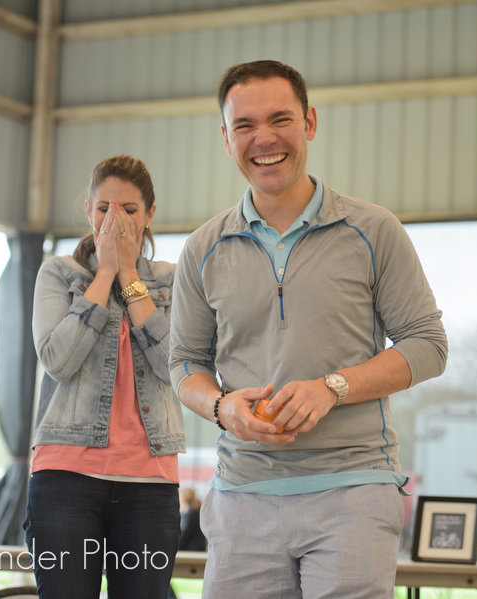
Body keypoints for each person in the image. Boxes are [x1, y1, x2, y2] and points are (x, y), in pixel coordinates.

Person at [168, 60, 448, 598]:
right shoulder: (203, 248)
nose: (264, 139)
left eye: (280, 119)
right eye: (245, 126)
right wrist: (222, 409)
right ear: (226, 138)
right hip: (241, 496)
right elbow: (184, 363)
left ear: (310, 123)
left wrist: (332, 389)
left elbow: (428, 346)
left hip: (354, 492)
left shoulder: (372, 230)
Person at [25, 154, 185, 599]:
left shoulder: (172, 282)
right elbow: (57, 360)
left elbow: (176, 368)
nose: (115, 220)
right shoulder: (59, 273)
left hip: (149, 484)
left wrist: (130, 275)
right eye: (104, 209)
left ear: (150, 214)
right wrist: (106, 272)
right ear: (88, 210)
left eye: (129, 210)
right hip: (65, 479)